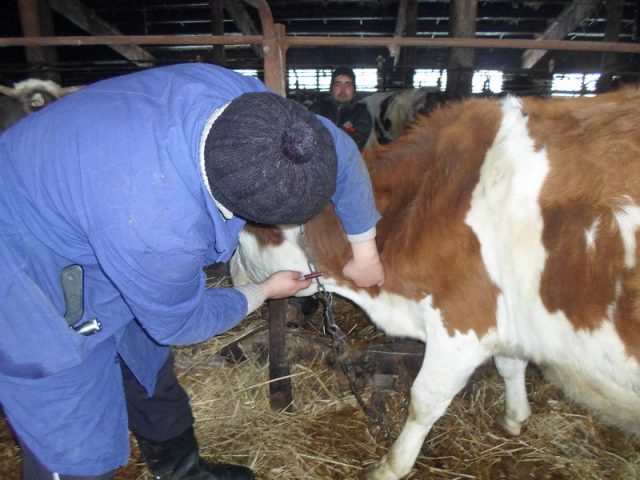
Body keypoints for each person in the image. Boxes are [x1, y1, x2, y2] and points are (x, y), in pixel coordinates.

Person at [0, 64, 384, 480]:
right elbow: (179, 321)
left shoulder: (252, 107)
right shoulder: (160, 227)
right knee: (70, 427)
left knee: (145, 360)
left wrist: (366, 253)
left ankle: (183, 471)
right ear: (239, 209)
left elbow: (336, 149)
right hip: (22, 268)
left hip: (83, 198)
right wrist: (263, 290)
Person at [309, 66, 373, 150]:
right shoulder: (317, 109)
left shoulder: (361, 114)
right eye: (338, 84)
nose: (343, 90)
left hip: (348, 161)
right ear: (331, 88)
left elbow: (355, 143)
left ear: (354, 89)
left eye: (348, 85)